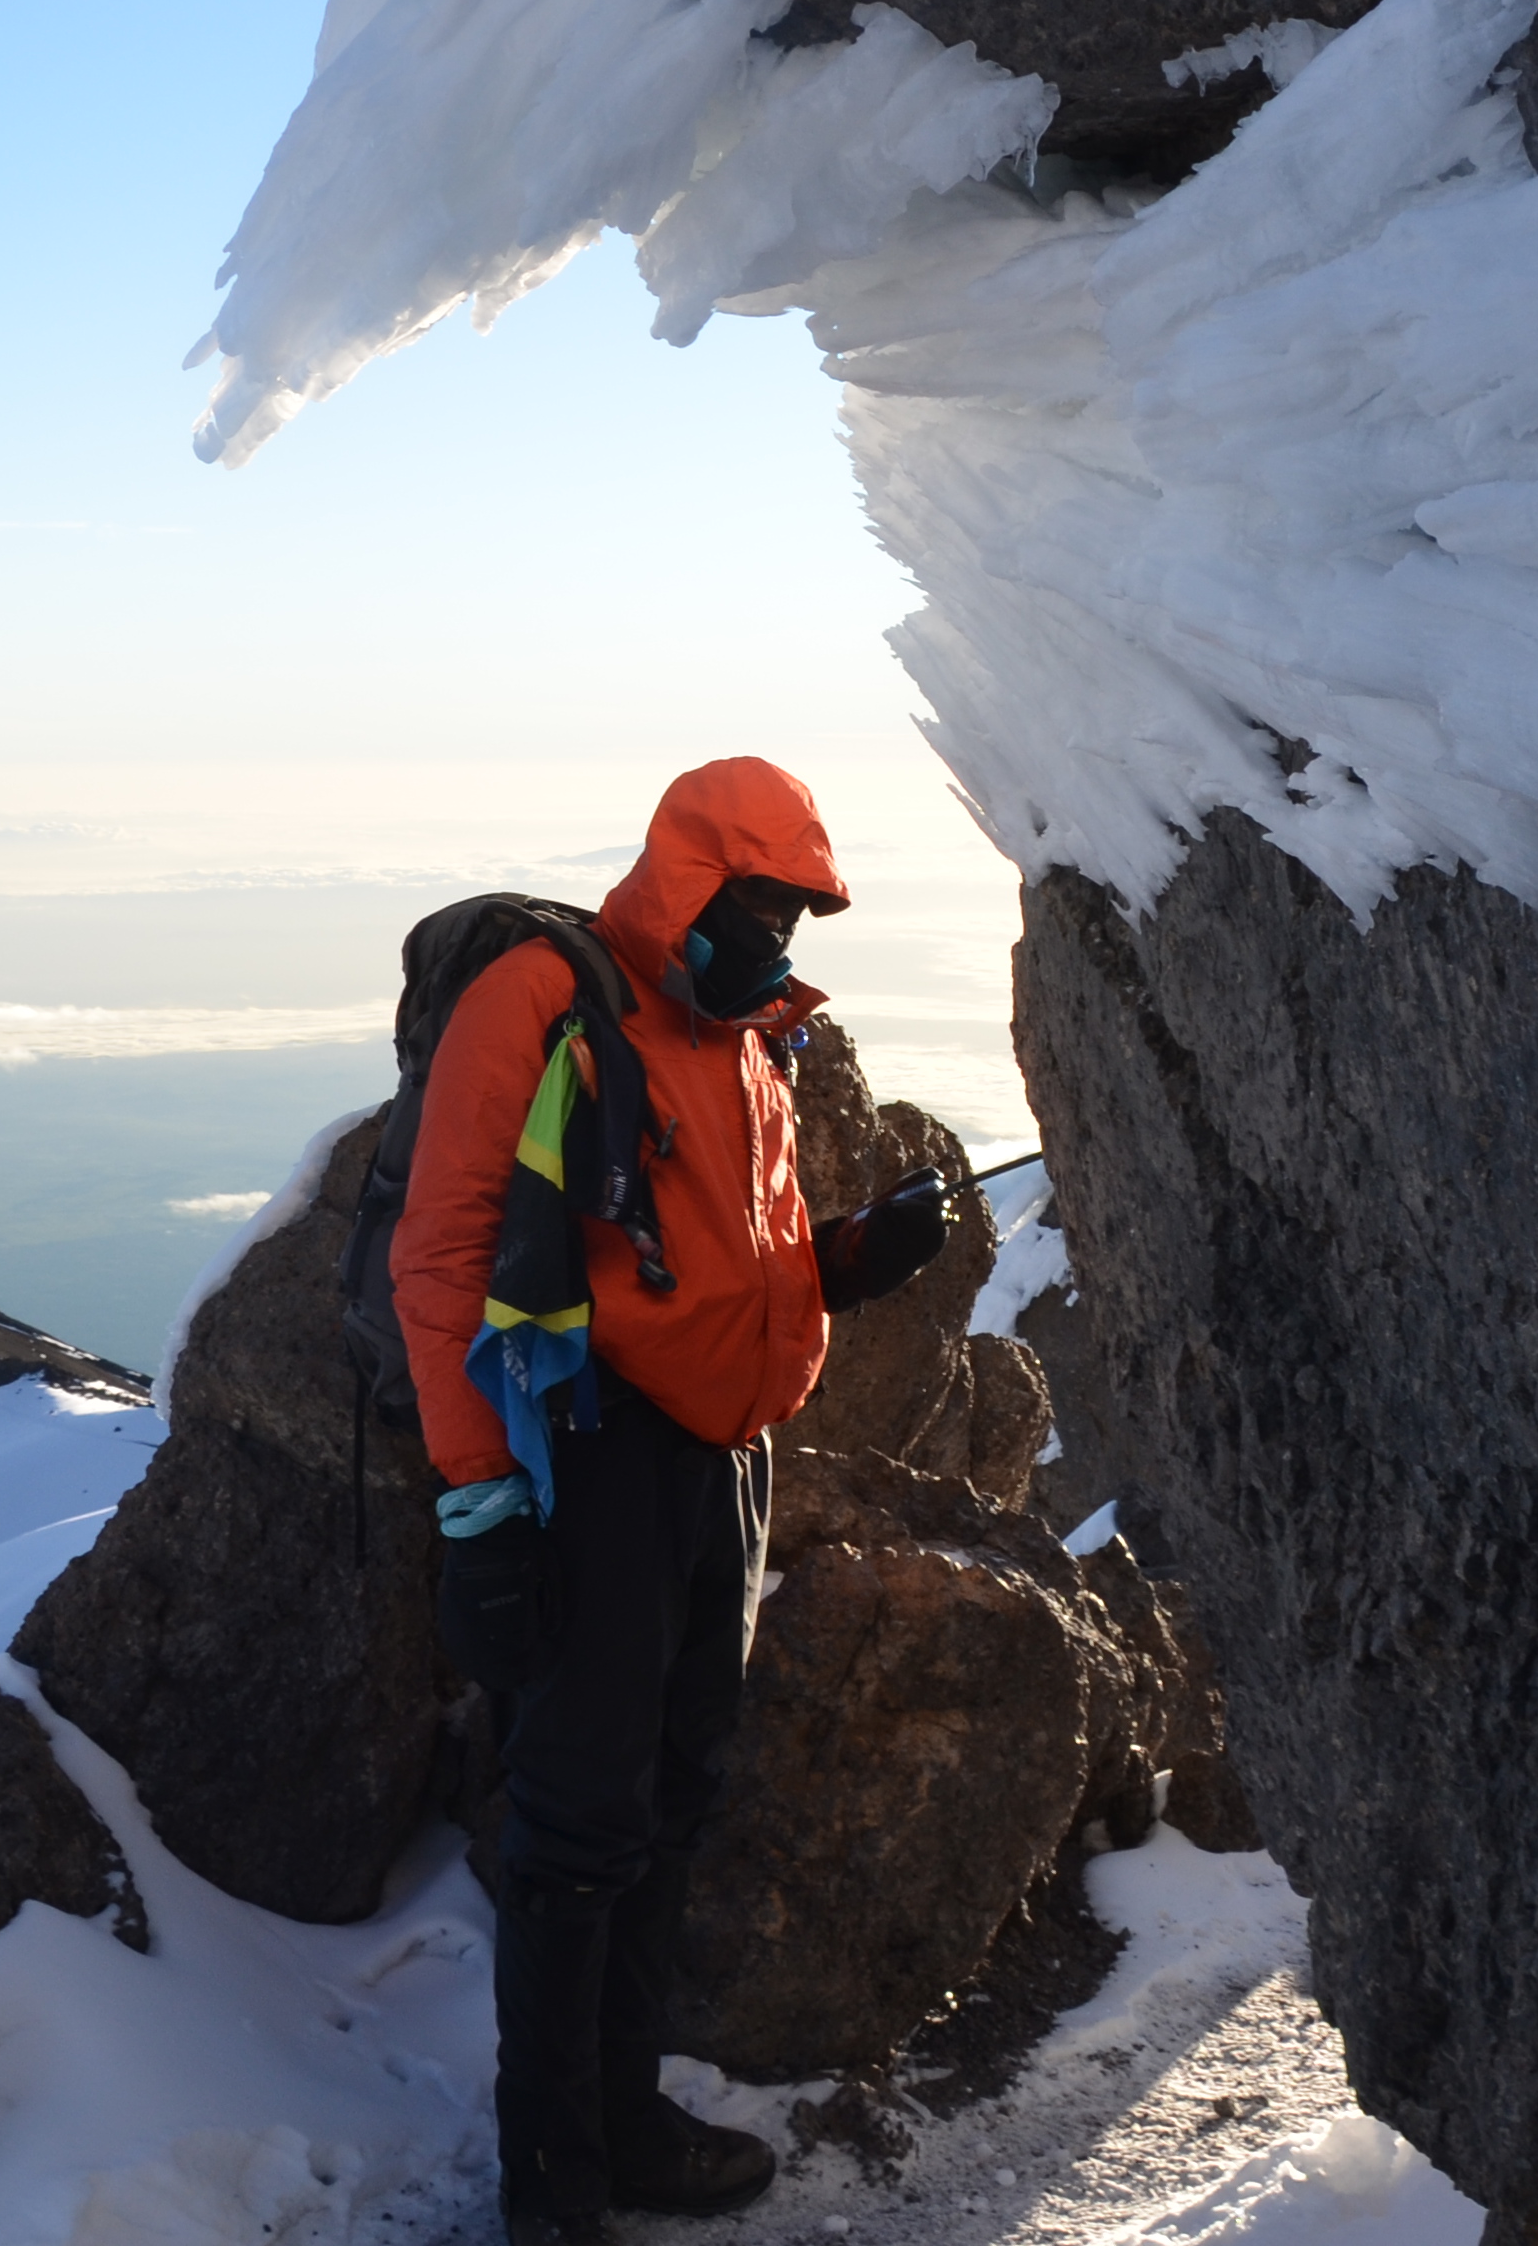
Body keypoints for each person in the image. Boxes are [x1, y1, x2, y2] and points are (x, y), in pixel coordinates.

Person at [389, 755, 949, 2238]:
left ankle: (623, 2123)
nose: (780, 938)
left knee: (676, 1792)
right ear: (693, 878)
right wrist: (476, 1505)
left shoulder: (745, 1038)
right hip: (593, 1453)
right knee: (578, 1825)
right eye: (759, 903)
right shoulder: (548, 996)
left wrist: (842, 1263)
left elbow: (704, 1268)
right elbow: (442, 1259)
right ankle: (555, 2186)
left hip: (722, 1463)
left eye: (795, 913)